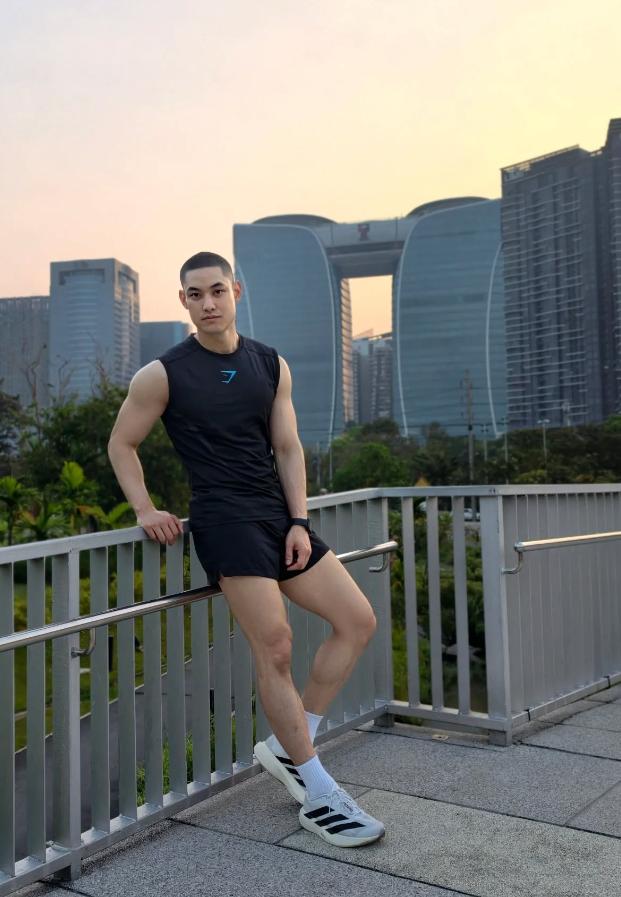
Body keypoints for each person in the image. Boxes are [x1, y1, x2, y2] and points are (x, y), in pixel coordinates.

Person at [107, 251, 385, 847]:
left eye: (216, 290)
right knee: (276, 644)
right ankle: (318, 791)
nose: (207, 303)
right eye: (195, 294)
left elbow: (287, 448)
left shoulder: (269, 363)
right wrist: (145, 508)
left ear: (235, 291)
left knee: (357, 620)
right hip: (225, 521)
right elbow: (121, 444)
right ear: (183, 301)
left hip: (277, 518)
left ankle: (291, 746)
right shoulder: (163, 374)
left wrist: (299, 521)